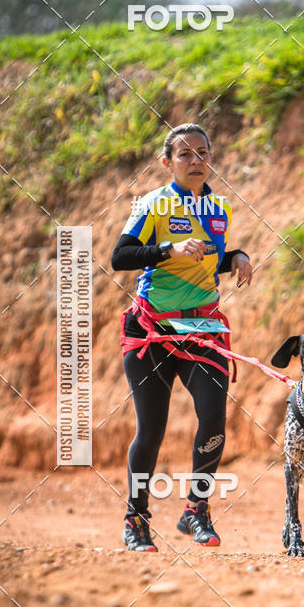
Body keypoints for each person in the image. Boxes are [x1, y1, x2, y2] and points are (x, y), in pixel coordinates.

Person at [111, 123, 253, 552]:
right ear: (167, 162)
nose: (196, 161)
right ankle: (135, 519)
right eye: (186, 154)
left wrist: (237, 257)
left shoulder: (220, 208)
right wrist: (168, 250)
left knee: (213, 416)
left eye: (203, 153)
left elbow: (208, 260)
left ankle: (196, 511)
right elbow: (121, 257)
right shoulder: (153, 204)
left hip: (201, 328)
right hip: (152, 329)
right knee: (151, 429)